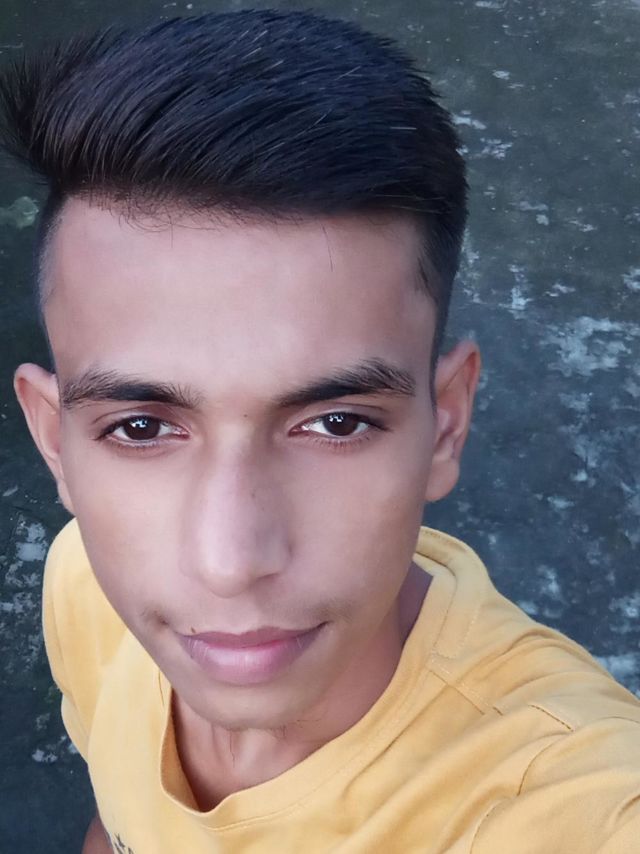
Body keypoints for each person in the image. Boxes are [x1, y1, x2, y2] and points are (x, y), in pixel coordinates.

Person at [1, 9, 638, 853]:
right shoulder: (86, 586)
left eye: (335, 422)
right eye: (143, 427)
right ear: (56, 443)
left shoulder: (578, 809)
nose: (231, 563)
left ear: (446, 424)